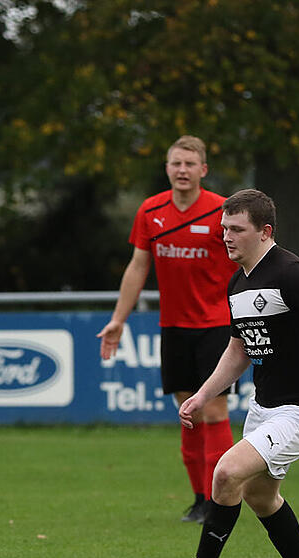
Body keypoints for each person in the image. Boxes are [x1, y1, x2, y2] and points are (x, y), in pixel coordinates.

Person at [158, 189, 299, 558]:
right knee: (259, 495)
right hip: (265, 406)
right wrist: (202, 394)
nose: (226, 237)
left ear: (265, 232)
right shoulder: (238, 281)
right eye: (223, 228)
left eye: (236, 229)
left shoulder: (292, 273)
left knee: (227, 472)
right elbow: (238, 350)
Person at [98, 135, 236, 523]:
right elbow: (138, 266)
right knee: (188, 414)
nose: (182, 170)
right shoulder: (151, 210)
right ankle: (198, 499)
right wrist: (118, 320)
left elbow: (245, 263)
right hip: (173, 327)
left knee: (212, 410)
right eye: (176, 163)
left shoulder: (221, 211)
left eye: (190, 164)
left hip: (217, 326)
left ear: (203, 170)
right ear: (167, 168)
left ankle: (220, 500)